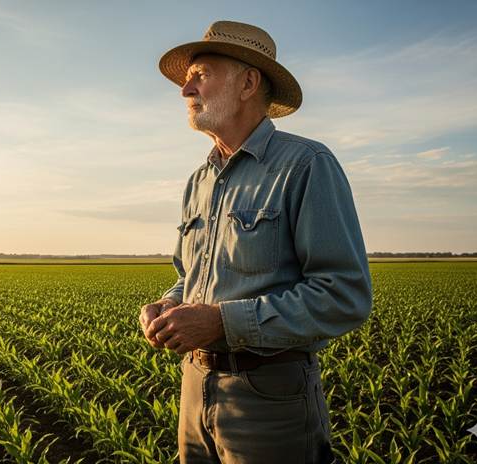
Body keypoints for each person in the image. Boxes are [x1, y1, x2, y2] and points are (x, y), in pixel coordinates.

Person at [139, 20, 373, 463]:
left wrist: (221, 323)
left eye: (200, 75)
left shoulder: (307, 165)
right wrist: (168, 305)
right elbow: (189, 277)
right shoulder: (199, 180)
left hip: (268, 400)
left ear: (248, 82)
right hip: (194, 390)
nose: (185, 90)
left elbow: (344, 294)